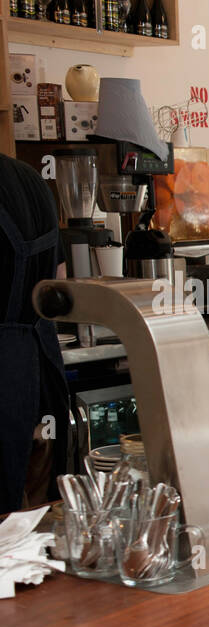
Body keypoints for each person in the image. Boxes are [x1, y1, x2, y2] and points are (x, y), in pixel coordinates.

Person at [0, 153, 70, 514]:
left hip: (6, 385)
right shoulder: (31, 179)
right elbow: (56, 281)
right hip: (42, 373)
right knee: (38, 523)